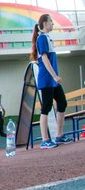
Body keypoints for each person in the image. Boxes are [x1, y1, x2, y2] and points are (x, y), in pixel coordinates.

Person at [31, 13, 72, 148]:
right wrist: (54, 76)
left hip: (52, 80)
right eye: (51, 22)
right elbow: (44, 59)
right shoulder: (42, 38)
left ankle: (59, 135)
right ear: (45, 23)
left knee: (62, 102)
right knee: (46, 108)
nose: (53, 24)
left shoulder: (47, 38)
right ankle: (45, 140)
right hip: (46, 79)